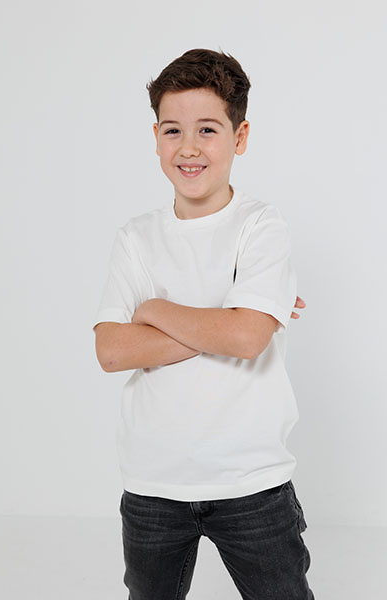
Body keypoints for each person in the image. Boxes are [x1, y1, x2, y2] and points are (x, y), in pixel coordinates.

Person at [92, 48, 315, 600]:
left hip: (252, 481)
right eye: (173, 130)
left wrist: (153, 310)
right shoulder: (136, 237)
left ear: (240, 137)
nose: (188, 147)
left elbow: (247, 338)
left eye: (208, 130)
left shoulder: (260, 226)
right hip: (153, 484)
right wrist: (228, 319)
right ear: (156, 137)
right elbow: (112, 352)